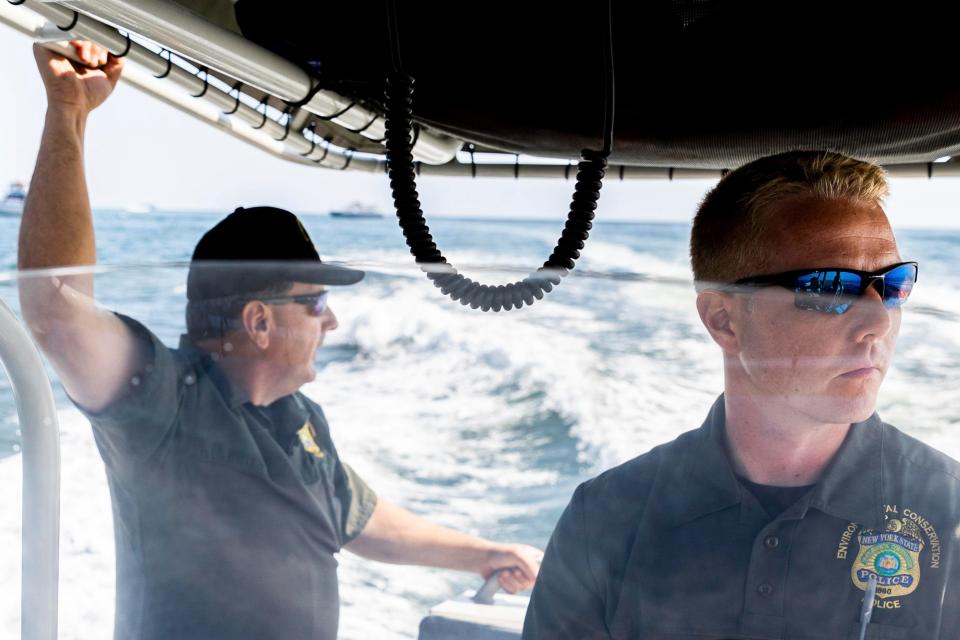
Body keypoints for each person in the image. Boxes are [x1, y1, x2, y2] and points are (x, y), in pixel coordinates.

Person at [18, 42, 541, 640]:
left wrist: (482, 553)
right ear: (259, 323)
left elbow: (358, 518)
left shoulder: (299, 419)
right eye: (316, 303)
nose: (332, 323)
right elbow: (56, 312)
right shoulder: (163, 402)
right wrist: (68, 109)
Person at [523, 150, 960, 639]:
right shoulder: (603, 519)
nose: (879, 322)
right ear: (723, 320)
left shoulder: (951, 512)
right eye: (831, 288)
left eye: (893, 285)